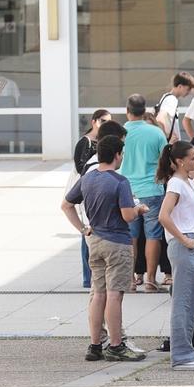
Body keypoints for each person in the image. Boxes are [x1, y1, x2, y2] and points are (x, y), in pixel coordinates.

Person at [60, 135, 147, 362]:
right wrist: (139, 209)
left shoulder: (88, 179)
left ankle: (95, 344)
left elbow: (66, 205)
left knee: (97, 294)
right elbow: (128, 216)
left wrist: (83, 229)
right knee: (114, 296)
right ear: (118, 154)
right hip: (117, 243)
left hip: (95, 240)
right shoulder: (120, 182)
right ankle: (117, 345)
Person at [156, 141, 194, 370]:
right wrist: (183, 239)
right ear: (179, 161)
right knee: (183, 301)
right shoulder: (175, 184)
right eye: (192, 158)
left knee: (190, 301)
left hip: (193, 244)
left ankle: (186, 352)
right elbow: (164, 216)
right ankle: (181, 355)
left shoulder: (187, 182)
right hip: (186, 244)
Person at [118, 94, 169, 293]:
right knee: (153, 236)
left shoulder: (120, 133)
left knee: (130, 236)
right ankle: (150, 280)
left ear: (127, 110)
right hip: (152, 189)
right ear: (144, 109)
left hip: (127, 190)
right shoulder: (156, 133)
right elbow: (165, 160)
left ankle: (130, 280)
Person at [72, 108, 113, 288]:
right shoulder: (85, 142)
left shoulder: (102, 142)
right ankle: (88, 277)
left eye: (108, 121)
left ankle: (94, 275)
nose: (105, 124)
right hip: (86, 189)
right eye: (103, 121)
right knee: (87, 232)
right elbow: (79, 166)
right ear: (94, 121)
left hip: (94, 188)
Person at [154, 71, 194, 143]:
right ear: (180, 86)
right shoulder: (172, 100)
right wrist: (168, 136)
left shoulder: (166, 96)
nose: (189, 92)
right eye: (188, 89)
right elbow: (161, 117)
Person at [74, 109, 112, 175]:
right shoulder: (85, 141)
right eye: (103, 121)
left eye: (109, 122)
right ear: (93, 122)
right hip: (89, 181)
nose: (106, 125)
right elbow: (80, 168)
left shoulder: (105, 139)